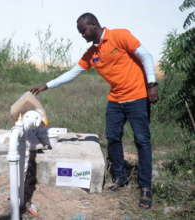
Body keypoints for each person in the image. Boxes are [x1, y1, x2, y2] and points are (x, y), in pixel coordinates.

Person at [30, 12, 158, 209]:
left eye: (83, 31)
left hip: (137, 96)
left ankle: (146, 188)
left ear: (94, 25)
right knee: (113, 137)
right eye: (80, 32)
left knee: (142, 141)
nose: (82, 35)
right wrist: (46, 85)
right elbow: (73, 73)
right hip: (115, 99)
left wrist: (151, 84)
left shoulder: (120, 36)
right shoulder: (92, 54)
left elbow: (146, 55)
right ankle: (120, 176)